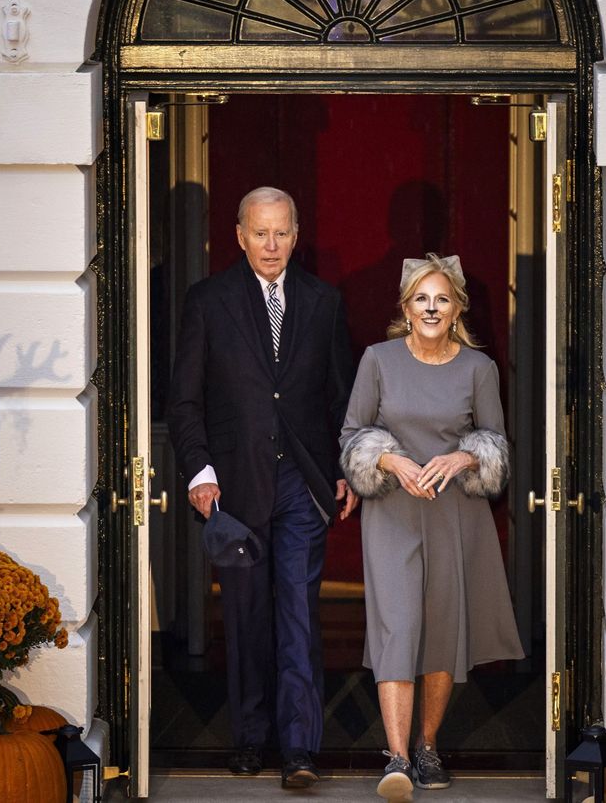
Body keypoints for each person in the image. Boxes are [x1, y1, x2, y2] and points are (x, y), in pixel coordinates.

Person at [168, 186, 357, 789]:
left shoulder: (323, 301)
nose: (271, 245)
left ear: (296, 235)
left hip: (301, 484)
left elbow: (339, 397)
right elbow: (185, 400)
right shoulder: (209, 301)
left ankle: (300, 749)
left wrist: (344, 466)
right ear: (240, 235)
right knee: (247, 618)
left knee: (300, 615)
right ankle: (251, 739)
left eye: (282, 233)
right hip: (235, 487)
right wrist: (200, 472)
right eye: (260, 232)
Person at [339, 254, 523, 803]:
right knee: (397, 625)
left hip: (454, 516)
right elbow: (353, 434)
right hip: (393, 511)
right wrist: (391, 461)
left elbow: (497, 444)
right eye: (422, 298)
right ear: (406, 306)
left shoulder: (478, 369)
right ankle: (395, 757)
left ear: (457, 307)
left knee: (441, 628)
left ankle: (426, 746)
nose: (432, 308)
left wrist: (464, 459)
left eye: (442, 298)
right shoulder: (377, 360)